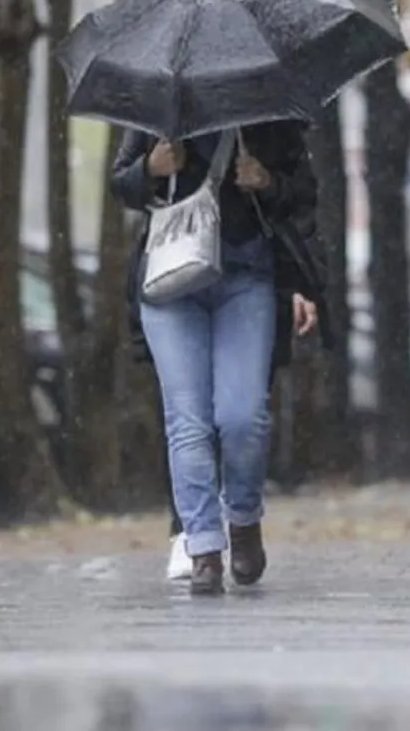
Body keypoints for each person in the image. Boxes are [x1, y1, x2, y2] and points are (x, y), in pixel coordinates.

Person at [112, 121, 327, 595]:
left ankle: (244, 520)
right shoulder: (155, 108)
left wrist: (266, 182)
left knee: (241, 416)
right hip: (170, 279)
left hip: (245, 278)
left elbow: (303, 195)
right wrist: (151, 168)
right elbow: (121, 183)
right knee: (187, 419)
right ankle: (203, 545)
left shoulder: (267, 109)